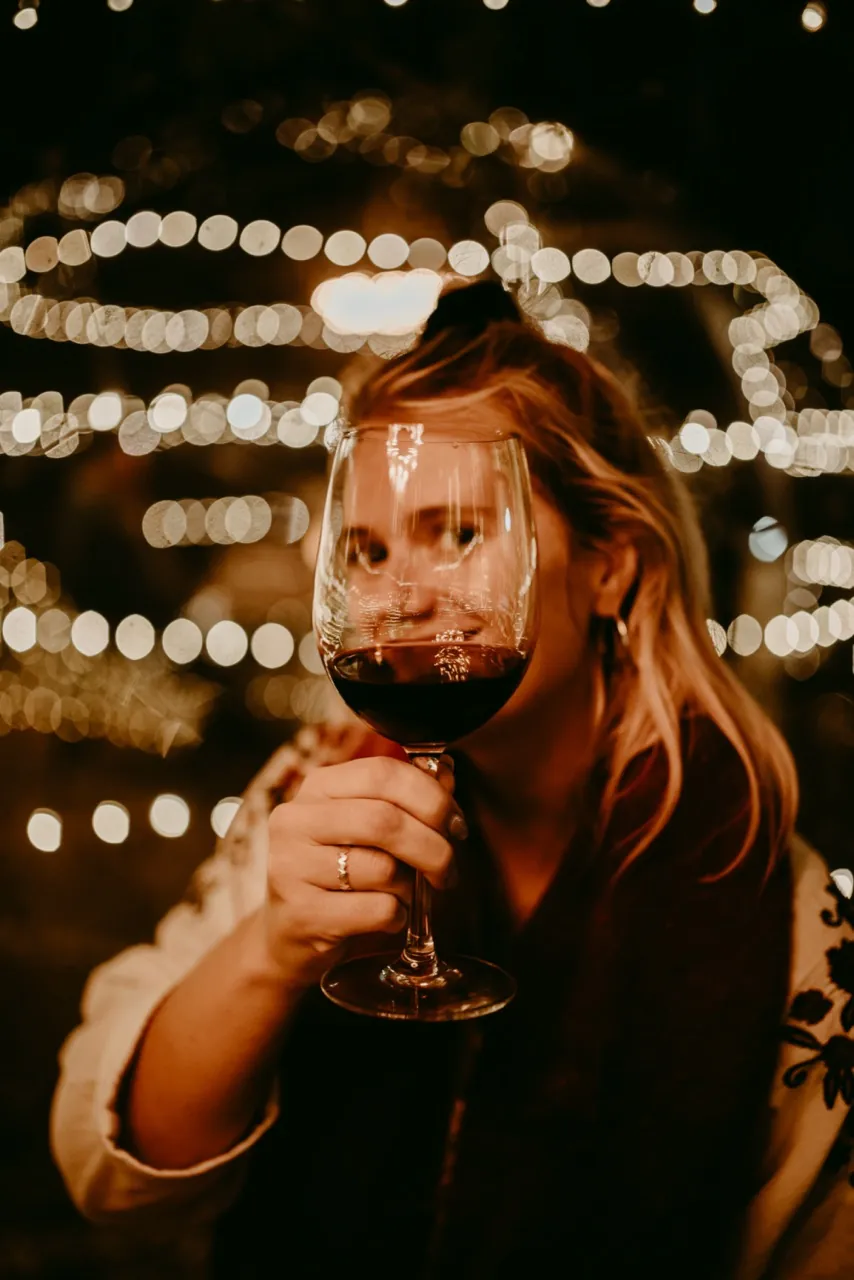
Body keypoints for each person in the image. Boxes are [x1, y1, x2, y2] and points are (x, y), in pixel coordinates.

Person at [51, 281, 854, 1279]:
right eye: (368, 549)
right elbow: (117, 1178)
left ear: (612, 566)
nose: (399, 597)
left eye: (459, 532)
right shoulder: (319, 781)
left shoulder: (784, 920)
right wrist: (273, 947)